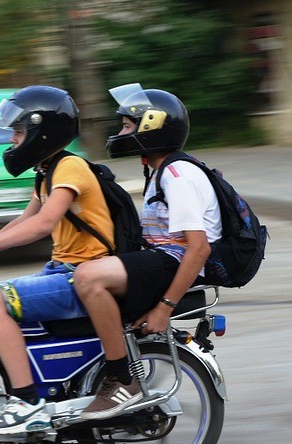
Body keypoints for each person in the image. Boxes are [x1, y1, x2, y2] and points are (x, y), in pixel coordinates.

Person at [0, 85, 114, 434]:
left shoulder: (70, 168)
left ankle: (27, 404)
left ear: (43, 132)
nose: (12, 140)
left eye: (19, 132)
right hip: (61, 270)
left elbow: (43, 223)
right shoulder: (47, 172)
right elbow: (23, 220)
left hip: (82, 276)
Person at [73, 84, 221, 420]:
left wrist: (164, 309)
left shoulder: (178, 175)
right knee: (83, 271)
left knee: (89, 278)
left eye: (127, 126)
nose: (120, 133)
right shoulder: (163, 171)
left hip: (175, 265)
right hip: (164, 262)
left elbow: (198, 249)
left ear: (152, 127)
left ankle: (123, 380)